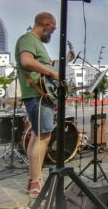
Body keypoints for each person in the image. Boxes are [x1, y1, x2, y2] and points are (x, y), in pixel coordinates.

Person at [15, 12, 74, 196]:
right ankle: (36, 182)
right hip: (37, 95)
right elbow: (27, 61)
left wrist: (66, 59)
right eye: (53, 28)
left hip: (39, 95)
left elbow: (45, 66)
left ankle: (33, 179)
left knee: (37, 136)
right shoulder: (28, 39)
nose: (53, 32)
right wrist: (53, 73)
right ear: (46, 24)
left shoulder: (36, 43)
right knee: (43, 137)